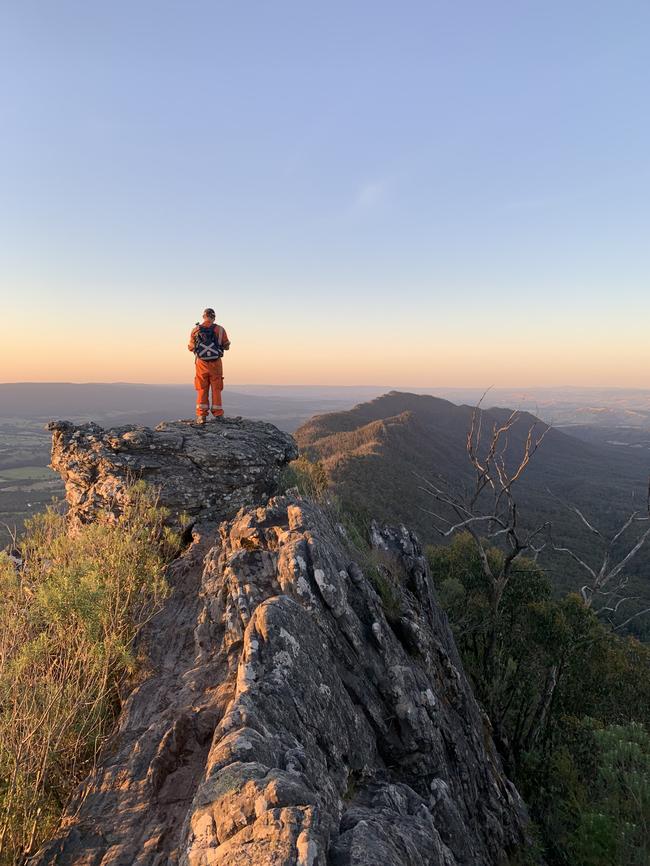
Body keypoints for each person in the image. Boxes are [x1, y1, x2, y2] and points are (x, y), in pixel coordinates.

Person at [188, 308, 231, 424]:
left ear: (203, 316)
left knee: (202, 388)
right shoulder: (220, 329)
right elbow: (226, 345)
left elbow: (191, 347)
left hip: (201, 364)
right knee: (216, 388)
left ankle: (201, 416)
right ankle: (218, 415)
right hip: (216, 363)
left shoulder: (195, 330)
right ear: (214, 317)